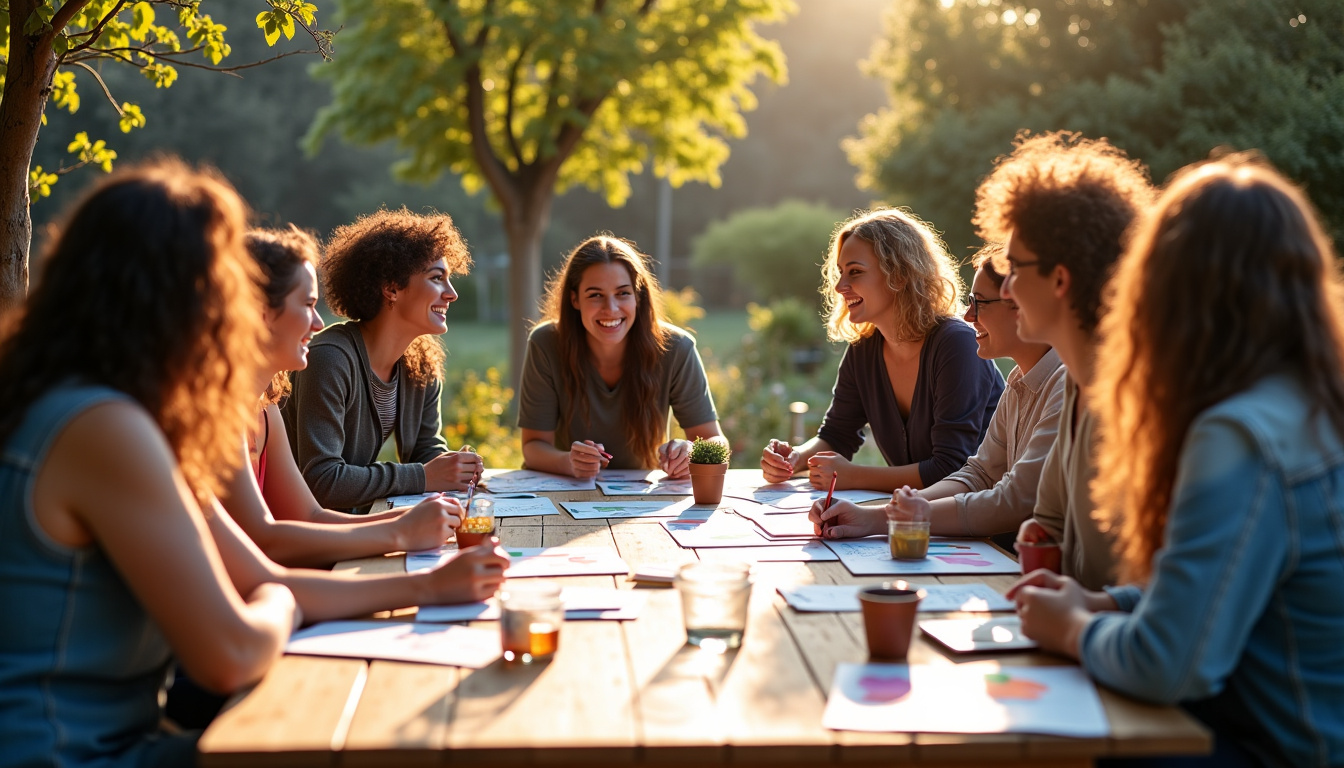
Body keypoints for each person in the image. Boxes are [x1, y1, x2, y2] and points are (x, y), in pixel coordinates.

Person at [1011, 157, 1344, 767]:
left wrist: (1071, 630)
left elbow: (1168, 662)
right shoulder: (1303, 403)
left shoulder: (1240, 435)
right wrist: (1107, 605)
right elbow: (1214, 592)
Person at [0, 161, 297, 768]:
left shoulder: (54, 397)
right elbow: (231, 654)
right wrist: (281, 603)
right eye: (227, 288)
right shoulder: (103, 426)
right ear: (185, 297)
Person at [220, 227, 468, 568]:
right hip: (288, 571)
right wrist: (404, 527)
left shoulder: (265, 408)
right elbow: (275, 536)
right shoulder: (327, 359)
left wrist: (410, 522)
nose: (319, 323)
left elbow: (310, 516)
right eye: (308, 304)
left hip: (297, 565)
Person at [976, 131, 1153, 589]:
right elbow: (1049, 517)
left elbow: (1172, 599)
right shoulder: (1076, 382)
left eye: (1016, 270)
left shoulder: (1142, 399)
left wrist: (1078, 614)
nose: (1008, 290)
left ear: (1060, 279)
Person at [809, 243, 1065, 543]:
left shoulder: (1066, 385)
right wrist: (880, 515)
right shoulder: (1020, 381)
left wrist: (897, 516)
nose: (969, 316)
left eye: (980, 302)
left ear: (1022, 305)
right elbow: (978, 475)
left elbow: (1015, 500)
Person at [761, 208, 1004, 493]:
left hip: (985, 526)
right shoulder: (863, 351)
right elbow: (837, 435)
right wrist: (795, 458)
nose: (840, 286)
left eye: (855, 272)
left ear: (899, 276)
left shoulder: (956, 344)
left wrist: (852, 476)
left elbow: (950, 468)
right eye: (840, 273)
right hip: (922, 519)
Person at [282, 209, 482, 512]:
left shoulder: (420, 363)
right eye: (437, 278)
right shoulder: (329, 360)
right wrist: (424, 476)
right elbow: (323, 481)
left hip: (356, 523)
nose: (451, 294)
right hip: (309, 532)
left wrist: (456, 466)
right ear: (391, 289)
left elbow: (425, 450)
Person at [517, 235, 726, 478]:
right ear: (574, 299)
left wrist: (691, 452)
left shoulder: (677, 348)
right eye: (595, 295)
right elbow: (533, 446)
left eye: (623, 293)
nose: (611, 308)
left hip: (645, 497)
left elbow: (715, 440)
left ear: (638, 296)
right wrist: (569, 463)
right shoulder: (545, 344)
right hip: (568, 492)